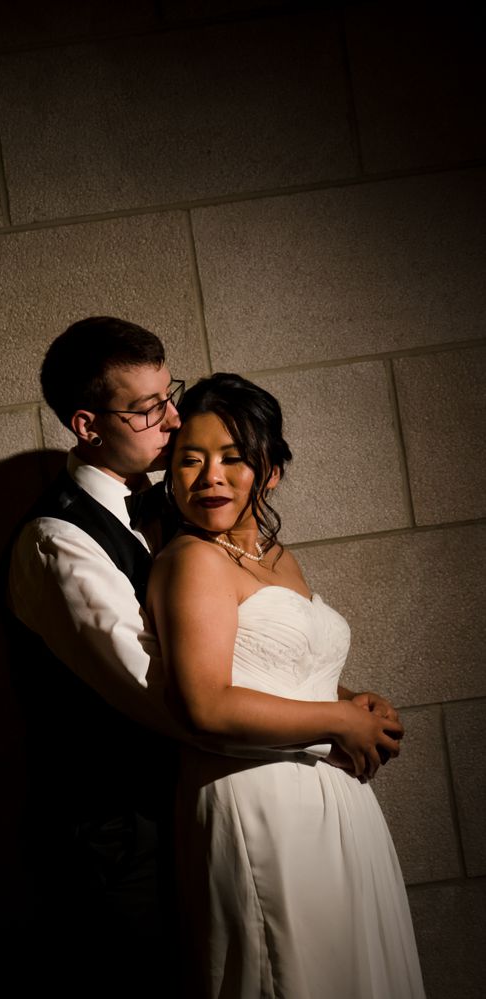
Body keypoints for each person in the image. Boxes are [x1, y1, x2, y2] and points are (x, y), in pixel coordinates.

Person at [3, 317, 386, 995]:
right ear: (89, 425)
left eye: (169, 393)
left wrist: (341, 696)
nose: (173, 417)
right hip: (122, 840)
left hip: (202, 803)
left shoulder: (177, 510)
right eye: (148, 408)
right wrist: (333, 727)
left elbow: (237, 651)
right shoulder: (58, 541)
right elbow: (174, 698)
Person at [148, 373, 424, 998]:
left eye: (233, 458)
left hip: (329, 801)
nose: (209, 476)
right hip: (259, 801)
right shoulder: (194, 560)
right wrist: (340, 722)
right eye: (190, 459)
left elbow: (281, 668)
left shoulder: (275, 555)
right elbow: (207, 703)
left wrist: (351, 697)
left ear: (270, 471)